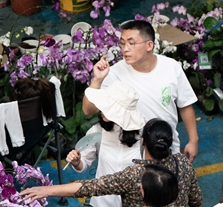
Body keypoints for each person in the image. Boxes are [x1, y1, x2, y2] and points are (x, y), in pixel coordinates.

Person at [21, 119, 203, 207]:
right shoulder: (183, 163)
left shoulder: (134, 174)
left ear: (144, 142)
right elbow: (195, 198)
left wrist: (47, 190)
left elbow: (89, 187)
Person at [84, 19, 200, 159]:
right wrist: (97, 80)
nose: (125, 49)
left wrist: (193, 140)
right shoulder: (114, 73)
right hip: (132, 155)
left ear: (149, 45)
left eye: (131, 43)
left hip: (167, 148)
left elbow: (185, 105)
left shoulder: (171, 67)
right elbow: (88, 110)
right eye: (122, 43)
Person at [64, 82, 145, 207]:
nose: (102, 112)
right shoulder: (96, 132)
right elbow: (84, 165)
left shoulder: (143, 135)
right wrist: (76, 161)